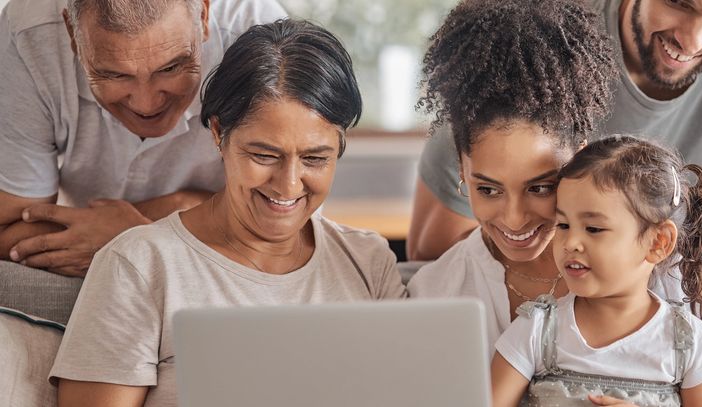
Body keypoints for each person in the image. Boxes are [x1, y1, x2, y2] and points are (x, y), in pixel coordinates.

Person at [408, 0, 702, 403]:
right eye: (488, 189)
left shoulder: (671, 274)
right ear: (460, 169)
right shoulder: (442, 289)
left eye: (542, 186)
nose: (514, 219)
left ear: (579, 158)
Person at [48, 20, 408, 406]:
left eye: (315, 159)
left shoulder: (367, 262)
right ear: (219, 133)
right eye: (264, 155)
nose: (288, 185)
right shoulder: (138, 265)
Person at [0, 0, 285, 277]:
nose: (146, 105)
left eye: (171, 68)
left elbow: (280, 231)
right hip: (77, 267)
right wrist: (197, 215)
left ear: (203, 15)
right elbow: (10, 229)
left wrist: (135, 232)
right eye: (114, 74)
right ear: (73, 34)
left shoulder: (269, 50)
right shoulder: (26, 34)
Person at [492, 136, 702, 407]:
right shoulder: (536, 330)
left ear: (658, 242)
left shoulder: (690, 345)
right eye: (563, 225)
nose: (570, 243)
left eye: (593, 229)